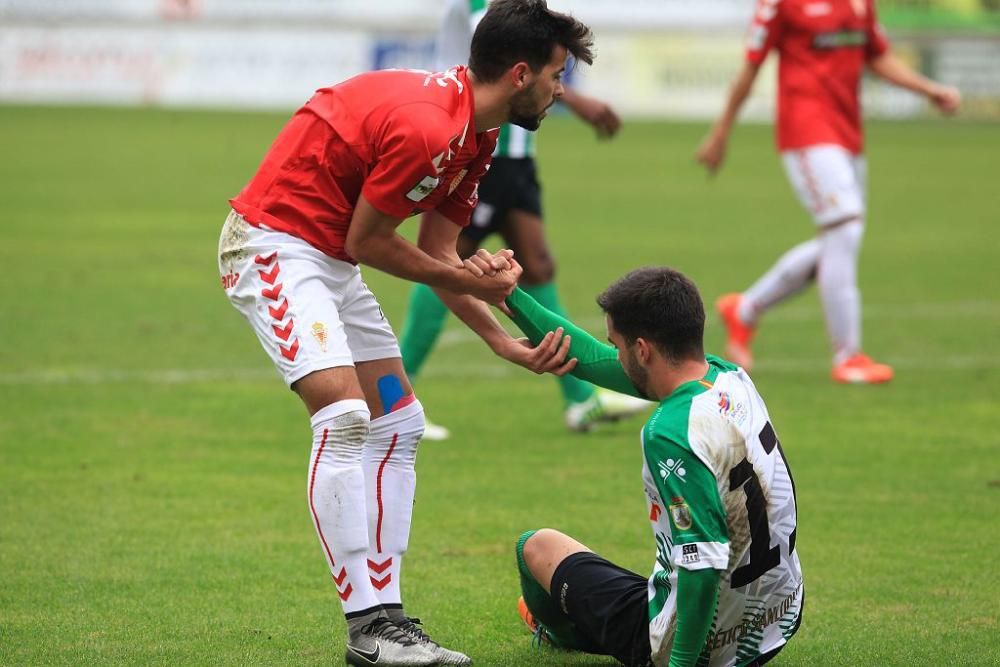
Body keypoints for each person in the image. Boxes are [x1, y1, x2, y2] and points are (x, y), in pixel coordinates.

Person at [217, 1, 594, 665]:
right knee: (342, 417)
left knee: (401, 422)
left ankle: (389, 621)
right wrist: (481, 286)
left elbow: (438, 256)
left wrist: (500, 340)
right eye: (557, 74)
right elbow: (372, 242)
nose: (562, 90)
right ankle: (366, 626)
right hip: (272, 244)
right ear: (518, 73)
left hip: (326, 256)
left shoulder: (478, 136)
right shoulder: (430, 128)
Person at [488, 266, 803, 666]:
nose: (614, 355)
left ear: (642, 350)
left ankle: (557, 631)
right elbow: (594, 360)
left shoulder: (669, 432)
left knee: (535, 547)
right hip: (776, 620)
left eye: (617, 345)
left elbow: (703, 564)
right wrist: (509, 297)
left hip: (706, 645)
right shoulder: (729, 378)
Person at [399, 0, 649, 441]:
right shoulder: (485, 8)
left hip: (516, 158)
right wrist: (580, 100)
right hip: (482, 149)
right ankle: (396, 397)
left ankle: (579, 399)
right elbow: (510, 58)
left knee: (536, 266)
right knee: (445, 261)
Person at [696, 0, 961, 383]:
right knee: (845, 229)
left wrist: (929, 90)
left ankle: (746, 309)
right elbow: (751, 67)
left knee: (840, 240)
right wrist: (721, 131)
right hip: (805, 132)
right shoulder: (781, 4)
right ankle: (847, 356)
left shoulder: (861, 3)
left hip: (848, 134)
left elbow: (879, 57)